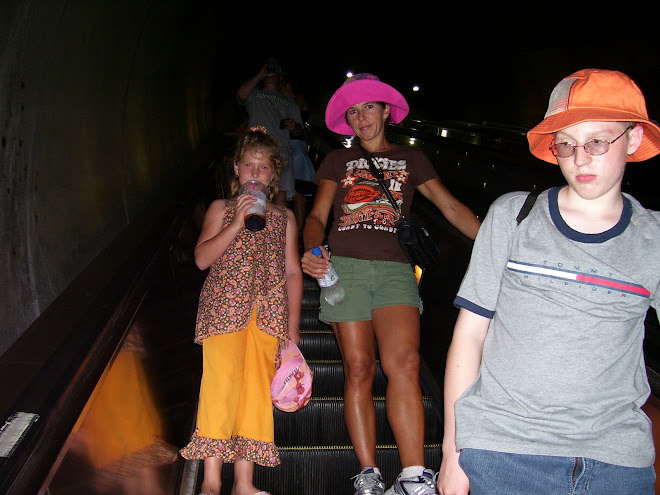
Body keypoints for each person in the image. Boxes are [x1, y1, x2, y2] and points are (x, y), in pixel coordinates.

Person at [436, 68, 660, 495]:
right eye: (567, 144)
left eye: (597, 141)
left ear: (631, 140)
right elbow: (469, 336)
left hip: (617, 460)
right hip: (504, 454)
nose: (579, 158)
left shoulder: (653, 240)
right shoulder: (514, 217)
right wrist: (453, 453)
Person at [300, 73, 481, 495]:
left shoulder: (412, 160)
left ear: (385, 111)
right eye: (352, 111)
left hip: (397, 269)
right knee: (359, 367)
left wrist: (499, 243)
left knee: (405, 364)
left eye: (367, 107)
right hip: (344, 267)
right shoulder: (336, 162)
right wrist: (312, 249)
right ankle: (368, 472)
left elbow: (450, 207)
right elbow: (317, 215)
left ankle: (413, 474)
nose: (360, 117)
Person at [179, 127, 303, 495]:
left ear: (273, 174)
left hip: (268, 315)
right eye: (248, 165)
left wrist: (292, 329)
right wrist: (236, 221)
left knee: (254, 393)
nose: (255, 172)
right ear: (236, 169)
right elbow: (202, 259)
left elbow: (293, 271)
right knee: (221, 386)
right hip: (224, 310)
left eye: (264, 168)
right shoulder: (221, 209)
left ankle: (244, 483)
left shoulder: (284, 218)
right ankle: (212, 482)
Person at [236, 58, 304, 208]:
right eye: (270, 69)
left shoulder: (289, 102)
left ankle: (280, 229)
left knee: (281, 193)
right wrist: (261, 75)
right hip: (256, 151)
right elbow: (241, 94)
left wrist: (295, 127)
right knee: (253, 189)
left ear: (281, 77)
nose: (273, 72)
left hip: (282, 152)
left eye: (276, 70)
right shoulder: (255, 94)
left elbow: (300, 131)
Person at [280, 77, 317, 231]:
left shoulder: (296, 100)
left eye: (284, 84)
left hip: (296, 148)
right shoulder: (277, 101)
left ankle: (300, 227)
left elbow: (301, 123)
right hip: (284, 147)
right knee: (287, 190)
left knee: (298, 191)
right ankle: (290, 226)